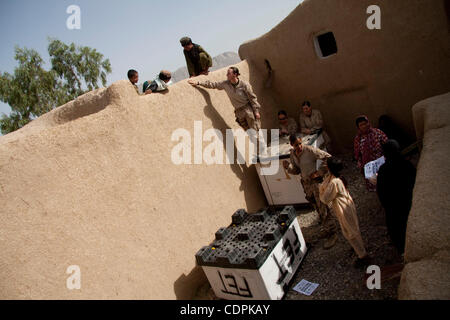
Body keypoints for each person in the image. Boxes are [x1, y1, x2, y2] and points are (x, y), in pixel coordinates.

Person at [282, 133, 338, 249]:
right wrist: (288, 168)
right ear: (292, 145)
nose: (299, 147)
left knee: (322, 206)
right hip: (306, 185)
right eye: (296, 145)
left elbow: (328, 157)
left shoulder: (309, 150)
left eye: (300, 143)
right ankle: (326, 226)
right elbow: (297, 170)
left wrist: (320, 172)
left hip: (316, 183)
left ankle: (332, 233)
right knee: (316, 207)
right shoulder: (293, 154)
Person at [319, 157, 370, 267]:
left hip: (343, 207)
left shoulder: (334, 182)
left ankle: (363, 255)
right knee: (350, 229)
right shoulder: (333, 178)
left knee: (351, 231)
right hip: (343, 205)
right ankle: (358, 249)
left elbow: (324, 198)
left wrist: (321, 189)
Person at [375, 139, 416, 254]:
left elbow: (381, 193)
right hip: (409, 204)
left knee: (398, 232)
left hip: (393, 210)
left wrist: (387, 206)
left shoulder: (383, 170)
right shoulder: (407, 165)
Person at [188, 66, 261, 131]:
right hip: (239, 112)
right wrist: (198, 83)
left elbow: (252, 98)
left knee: (255, 131)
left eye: (229, 73)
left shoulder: (244, 85)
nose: (227, 75)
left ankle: (262, 146)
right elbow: (213, 85)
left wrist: (256, 111)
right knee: (249, 133)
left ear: (235, 75)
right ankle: (257, 146)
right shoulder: (226, 84)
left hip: (248, 110)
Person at [353, 115, 388, 191]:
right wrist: (360, 162)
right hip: (368, 165)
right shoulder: (358, 138)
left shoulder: (377, 133)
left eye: (365, 123)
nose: (364, 126)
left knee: (386, 180)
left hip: (381, 161)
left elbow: (387, 144)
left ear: (368, 123)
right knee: (375, 183)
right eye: (361, 125)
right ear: (358, 127)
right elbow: (357, 153)